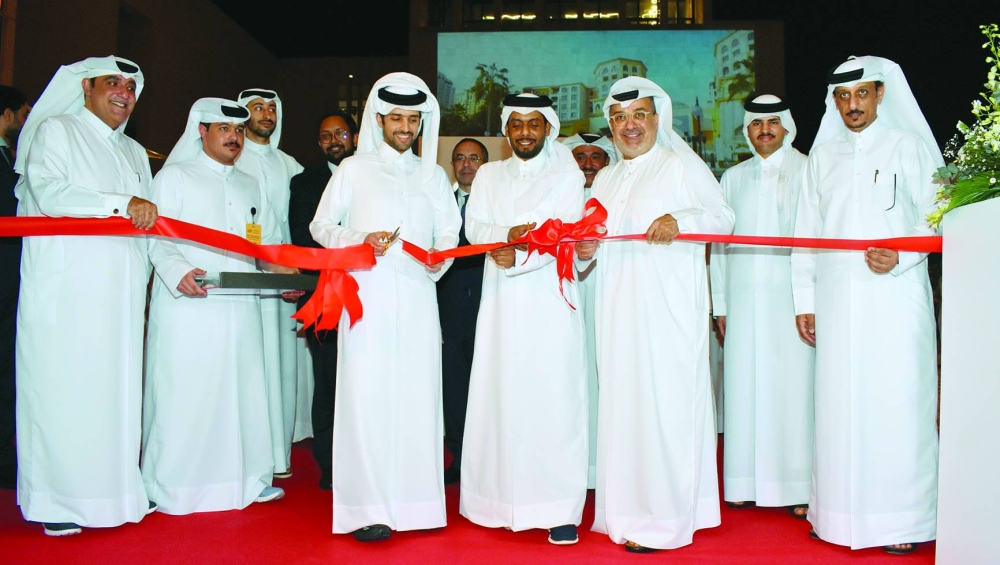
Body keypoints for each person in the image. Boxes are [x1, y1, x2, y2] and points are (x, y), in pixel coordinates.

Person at [575, 77, 733, 552]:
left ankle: (665, 518)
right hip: (617, 313)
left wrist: (679, 222)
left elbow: (723, 218)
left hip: (668, 313)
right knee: (625, 408)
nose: (630, 125)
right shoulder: (605, 177)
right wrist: (585, 249)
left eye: (639, 115)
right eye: (620, 117)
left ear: (656, 119)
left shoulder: (680, 165)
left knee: (667, 410)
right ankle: (625, 510)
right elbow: (592, 243)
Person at [791, 56, 941, 555]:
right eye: (842, 97)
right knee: (837, 407)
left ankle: (901, 522)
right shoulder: (823, 155)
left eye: (861, 95)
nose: (851, 105)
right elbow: (806, 233)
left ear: (880, 95)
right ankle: (834, 515)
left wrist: (900, 254)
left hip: (895, 301)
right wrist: (805, 299)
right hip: (836, 300)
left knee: (896, 406)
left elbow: (942, 219)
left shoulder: (910, 147)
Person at [310, 72, 460, 542]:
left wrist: (437, 258)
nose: (406, 126)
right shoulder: (353, 169)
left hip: (418, 297)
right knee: (366, 398)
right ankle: (367, 509)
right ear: (379, 118)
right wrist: (358, 240)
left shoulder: (433, 174)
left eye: (413, 119)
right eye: (397, 117)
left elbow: (448, 231)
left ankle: (417, 505)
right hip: (365, 298)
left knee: (417, 396)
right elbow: (320, 226)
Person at [13, 56, 158, 536]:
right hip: (68, 296)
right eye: (112, 83)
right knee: (63, 394)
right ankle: (56, 502)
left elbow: (152, 223)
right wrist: (120, 205)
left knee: (115, 394)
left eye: (131, 87)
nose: (123, 93)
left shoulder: (136, 152)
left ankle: (115, 495)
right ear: (85, 88)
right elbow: (52, 194)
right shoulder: (56, 130)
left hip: (119, 297)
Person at [141, 98, 293, 514]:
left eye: (239, 130)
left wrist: (288, 279)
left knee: (242, 395)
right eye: (224, 128)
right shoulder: (174, 176)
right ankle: (168, 486)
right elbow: (156, 239)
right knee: (184, 395)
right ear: (201, 132)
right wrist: (177, 271)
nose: (234, 136)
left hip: (240, 309)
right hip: (188, 307)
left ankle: (247, 479)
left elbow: (267, 244)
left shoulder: (250, 184)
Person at [461, 93, 587, 545]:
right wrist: (503, 238)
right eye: (517, 124)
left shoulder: (567, 171)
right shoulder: (490, 174)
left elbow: (562, 228)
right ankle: (494, 501)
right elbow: (474, 226)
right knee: (500, 397)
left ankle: (558, 509)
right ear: (507, 130)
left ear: (548, 128)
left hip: (549, 303)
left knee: (552, 402)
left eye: (534, 124)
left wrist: (515, 252)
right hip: (498, 304)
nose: (526, 132)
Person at [710, 94, 814, 517]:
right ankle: (743, 481)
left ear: (787, 126)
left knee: (794, 390)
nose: (764, 130)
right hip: (742, 300)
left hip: (793, 301)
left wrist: (812, 301)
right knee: (744, 387)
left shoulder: (809, 169)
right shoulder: (732, 177)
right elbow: (718, 245)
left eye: (772, 122)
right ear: (747, 130)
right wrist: (720, 304)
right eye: (756, 124)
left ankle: (798, 486)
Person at [235, 88, 306, 479]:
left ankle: (277, 455)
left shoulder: (289, 165)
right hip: (241, 278)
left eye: (272, 108)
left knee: (278, 365)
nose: (266, 114)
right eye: (257, 108)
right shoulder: (228, 155)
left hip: (283, 280)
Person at [287, 109, 357, 491]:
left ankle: (365, 458)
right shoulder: (305, 182)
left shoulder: (370, 173)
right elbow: (303, 235)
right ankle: (330, 464)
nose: (334, 140)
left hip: (370, 289)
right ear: (319, 143)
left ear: (356, 137)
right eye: (326, 135)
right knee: (328, 379)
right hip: (325, 291)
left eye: (341, 133)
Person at [561, 132, 615, 489]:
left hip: (609, 295)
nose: (588, 164)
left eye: (596, 156)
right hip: (564, 296)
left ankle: (601, 470)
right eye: (580, 156)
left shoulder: (617, 196)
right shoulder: (559, 196)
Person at [437, 137, 488, 486]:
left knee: (488, 388)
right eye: (460, 159)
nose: (467, 165)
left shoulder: (497, 205)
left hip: (491, 308)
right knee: (453, 389)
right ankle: (457, 456)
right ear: (452, 165)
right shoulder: (439, 203)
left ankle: (487, 461)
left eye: (474, 158)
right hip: (449, 311)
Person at [0, 85, 29, 489]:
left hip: (10, 281)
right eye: (22, 115)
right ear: (6, 114)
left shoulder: (11, 160)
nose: (25, 123)